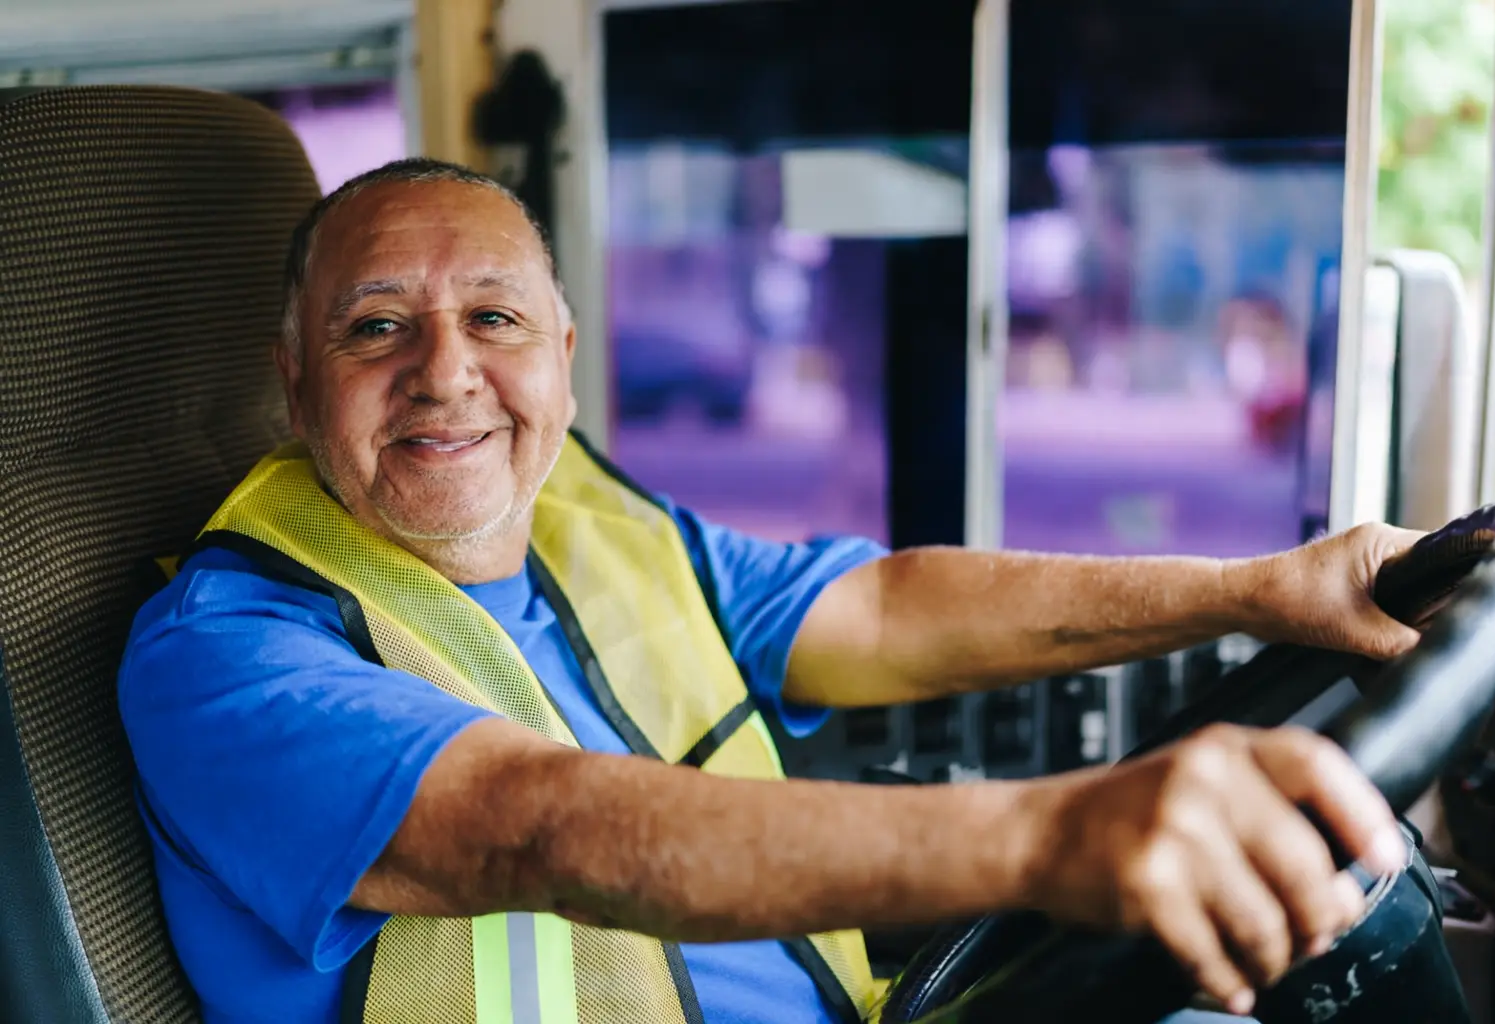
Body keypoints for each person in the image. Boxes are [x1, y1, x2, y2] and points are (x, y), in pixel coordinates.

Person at [118, 159, 1419, 1024]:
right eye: (376, 325)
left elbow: (889, 615)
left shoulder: (588, 519)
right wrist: (1055, 836)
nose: (445, 372)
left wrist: (1266, 588)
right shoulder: (221, 652)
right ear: (296, 385)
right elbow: (532, 825)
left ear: (564, 360)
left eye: (496, 319)